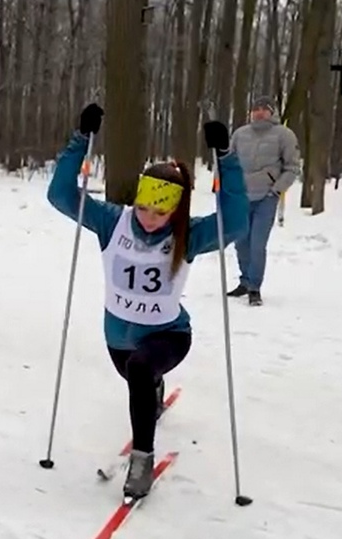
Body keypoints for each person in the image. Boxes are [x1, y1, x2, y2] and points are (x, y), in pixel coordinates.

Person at [46, 103, 250, 499]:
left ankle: (143, 459)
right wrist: (79, 141)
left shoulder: (188, 235)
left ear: (175, 210)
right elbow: (60, 195)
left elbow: (236, 222)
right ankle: (152, 388)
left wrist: (226, 159)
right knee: (136, 374)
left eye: (160, 211)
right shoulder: (111, 221)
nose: (148, 217)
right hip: (118, 337)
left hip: (169, 335)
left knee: (140, 368)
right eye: (143, 207)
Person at [226, 95, 299, 306]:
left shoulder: (284, 135)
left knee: (258, 244)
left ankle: (255, 287)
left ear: (271, 112)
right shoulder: (240, 134)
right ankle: (245, 281)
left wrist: (276, 190)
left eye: (264, 109)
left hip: (266, 197)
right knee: (241, 242)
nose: (259, 112)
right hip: (241, 195)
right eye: (255, 108)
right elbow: (230, 162)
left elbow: (292, 167)